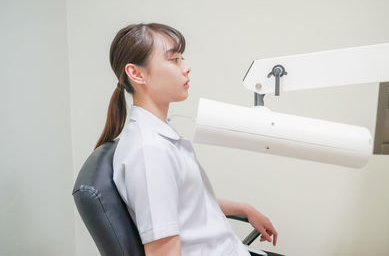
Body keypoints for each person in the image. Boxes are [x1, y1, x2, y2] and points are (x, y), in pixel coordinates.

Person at [95, 23, 278, 256]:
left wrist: (244, 208)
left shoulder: (157, 136)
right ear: (137, 73)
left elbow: (186, 202)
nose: (187, 68)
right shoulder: (150, 152)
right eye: (174, 60)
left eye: (182, 58)